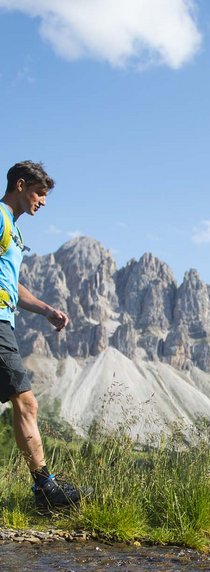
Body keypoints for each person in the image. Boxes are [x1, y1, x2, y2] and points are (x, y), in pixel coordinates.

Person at [0, 161, 85, 511]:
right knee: (26, 401)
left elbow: (12, 284)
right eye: (39, 193)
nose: (43, 202)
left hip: (7, 319)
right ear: (20, 185)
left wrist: (47, 309)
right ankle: (45, 490)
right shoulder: (1, 217)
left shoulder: (13, 230)